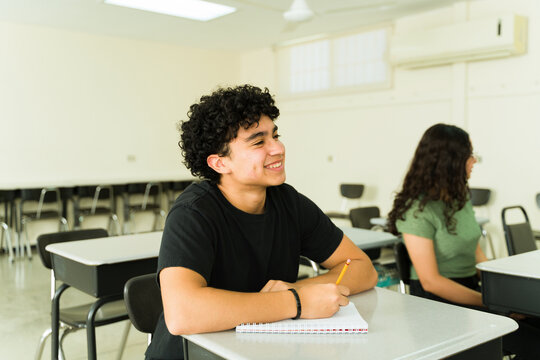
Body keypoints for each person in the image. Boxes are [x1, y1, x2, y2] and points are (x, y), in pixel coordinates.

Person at [145, 85, 378, 360]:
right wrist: (296, 302)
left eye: (275, 136)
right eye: (258, 142)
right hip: (192, 354)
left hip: (258, 350)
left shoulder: (288, 202)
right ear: (220, 163)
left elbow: (363, 269)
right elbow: (183, 314)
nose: (278, 148)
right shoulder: (193, 212)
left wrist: (298, 289)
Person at [387, 123, 540, 359]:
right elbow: (431, 282)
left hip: (470, 289)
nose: (474, 161)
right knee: (532, 340)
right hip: (438, 302)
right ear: (449, 162)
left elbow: (475, 251)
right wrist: (490, 303)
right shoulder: (417, 210)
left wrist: (503, 295)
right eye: (469, 155)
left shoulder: (458, 198)